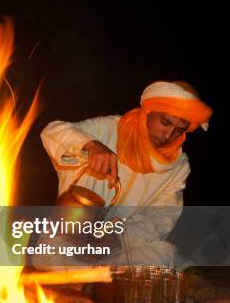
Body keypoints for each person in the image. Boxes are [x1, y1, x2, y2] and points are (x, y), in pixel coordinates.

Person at [38, 80, 212, 267]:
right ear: (148, 111)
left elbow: (160, 219)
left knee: (163, 252)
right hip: (68, 241)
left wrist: (115, 240)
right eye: (165, 122)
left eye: (179, 130)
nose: (167, 135)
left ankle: (93, 280)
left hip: (114, 249)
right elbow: (51, 132)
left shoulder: (178, 166)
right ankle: (97, 280)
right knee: (51, 254)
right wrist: (91, 145)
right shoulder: (109, 129)